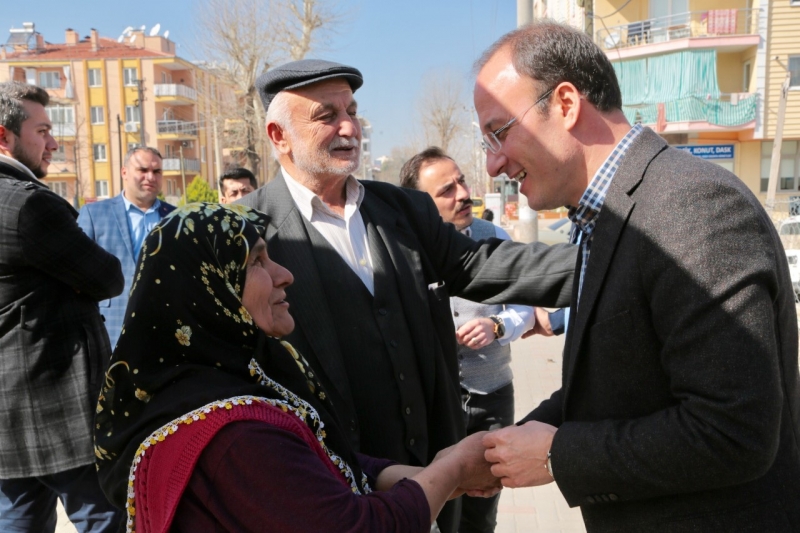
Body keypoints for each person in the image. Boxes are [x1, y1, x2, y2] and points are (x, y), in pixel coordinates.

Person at [473, 21, 800, 532]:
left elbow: (735, 432)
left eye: (498, 132)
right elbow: (620, 384)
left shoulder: (689, 205)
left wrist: (559, 455)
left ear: (565, 103)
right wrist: (510, 446)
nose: (493, 164)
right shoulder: (611, 215)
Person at [237, 59, 576, 533]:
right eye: (326, 115)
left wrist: (609, 261)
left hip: (434, 484)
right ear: (278, 135)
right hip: (331, 498)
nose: (349, 127)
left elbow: (484, 265)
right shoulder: (243, 233)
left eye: (352, 111)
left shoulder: (403, 210)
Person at [94, 202, 501, 533]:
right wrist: (455, 467)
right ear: (210, 290)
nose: (284, 275)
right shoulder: (233, 436)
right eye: (256, 263)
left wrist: (440, 476)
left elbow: (326, 462)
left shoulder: (233, 381)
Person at [399, 146, 549, 533]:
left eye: (461, 180)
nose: (463, 193)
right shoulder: (403, 252)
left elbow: (525, 308)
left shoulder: (492, 236)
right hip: (435, 404)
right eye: (446, 189)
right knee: (434, 506)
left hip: (492, 397)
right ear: (419, 204)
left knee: (481, 513)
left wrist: (497, 327)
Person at [0, 81, 125, 532]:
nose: (54, 143)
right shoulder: (27, 205)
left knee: (16, 521)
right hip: (56, 410)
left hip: (6, 415)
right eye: (43, 130)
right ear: (4, 137)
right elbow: (107, 276)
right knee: (103, 517)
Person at [77, 147, 175, 348]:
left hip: (164, 329)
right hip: (110, 328)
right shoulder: (94, 215)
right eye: (142, 170)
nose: (150, 177)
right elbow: (78, 273)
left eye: (157, 172)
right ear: (124, 173)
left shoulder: (176, 218)